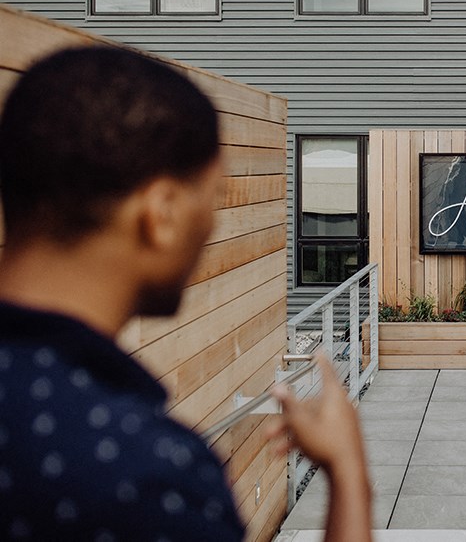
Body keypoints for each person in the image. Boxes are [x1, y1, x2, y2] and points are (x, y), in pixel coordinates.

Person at [0, 46, 371, 541]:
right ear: (163, 213)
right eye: (212, 198)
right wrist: (348, 470)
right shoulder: (145, 477)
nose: (214, 224)